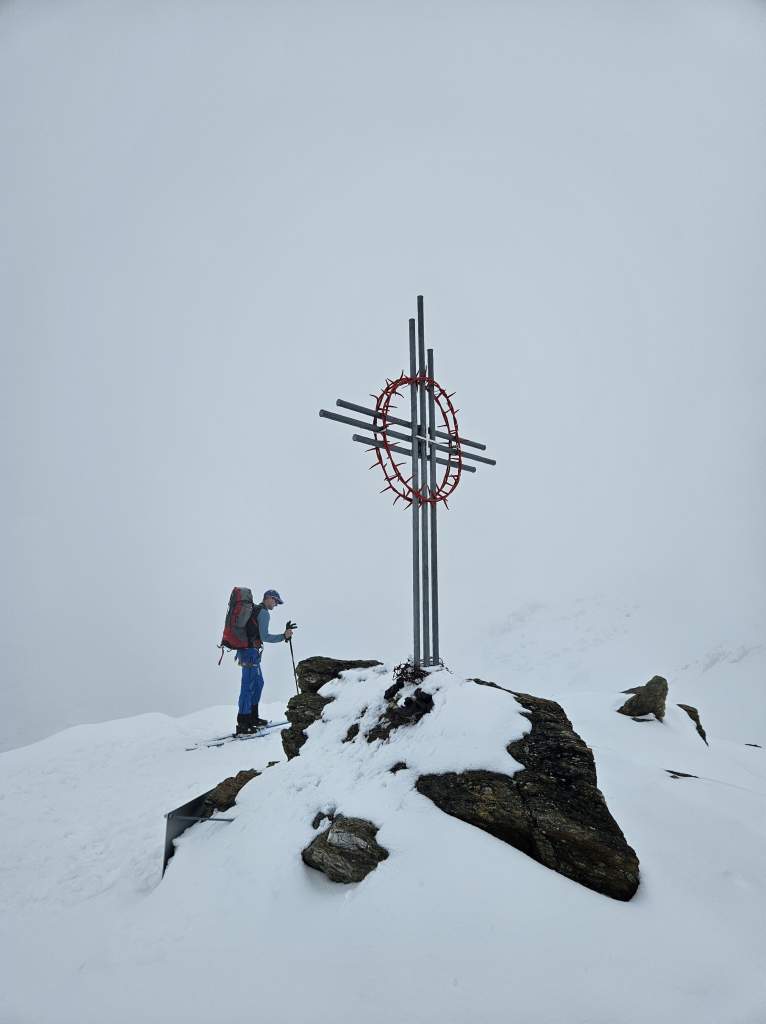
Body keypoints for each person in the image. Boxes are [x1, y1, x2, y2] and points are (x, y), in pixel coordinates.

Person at [235, 589, 294, 735]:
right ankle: (243, 722)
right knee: (248, 686)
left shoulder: (257, 610)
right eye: (275, 601)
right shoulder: (263, 612)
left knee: (258, 683)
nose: (276, 604)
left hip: (250, 652)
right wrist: (283, 636)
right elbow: (265, 637)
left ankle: (252, 717)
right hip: (249, 652)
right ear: (268, 598)